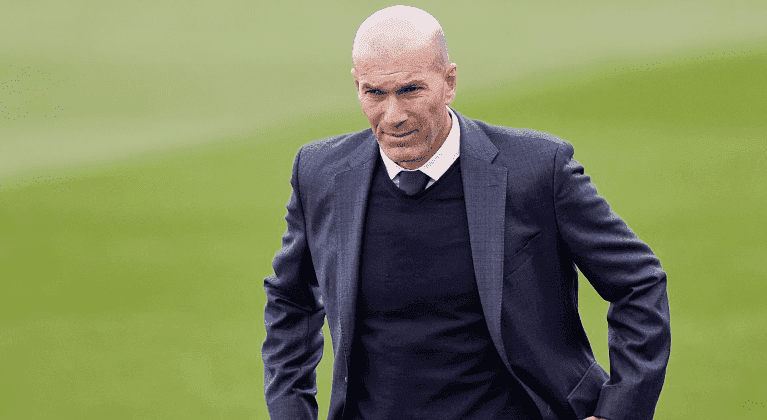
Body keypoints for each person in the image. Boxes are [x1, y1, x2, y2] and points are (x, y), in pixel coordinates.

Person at [262, 5, 670, 420]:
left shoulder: (538, 170)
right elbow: (290, 301)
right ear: (357, 86)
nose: (394, 115)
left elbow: (638, 282)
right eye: (375, 93)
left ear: (449, 82)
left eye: (410, 90)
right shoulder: (319, 174)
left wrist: (619, 411)